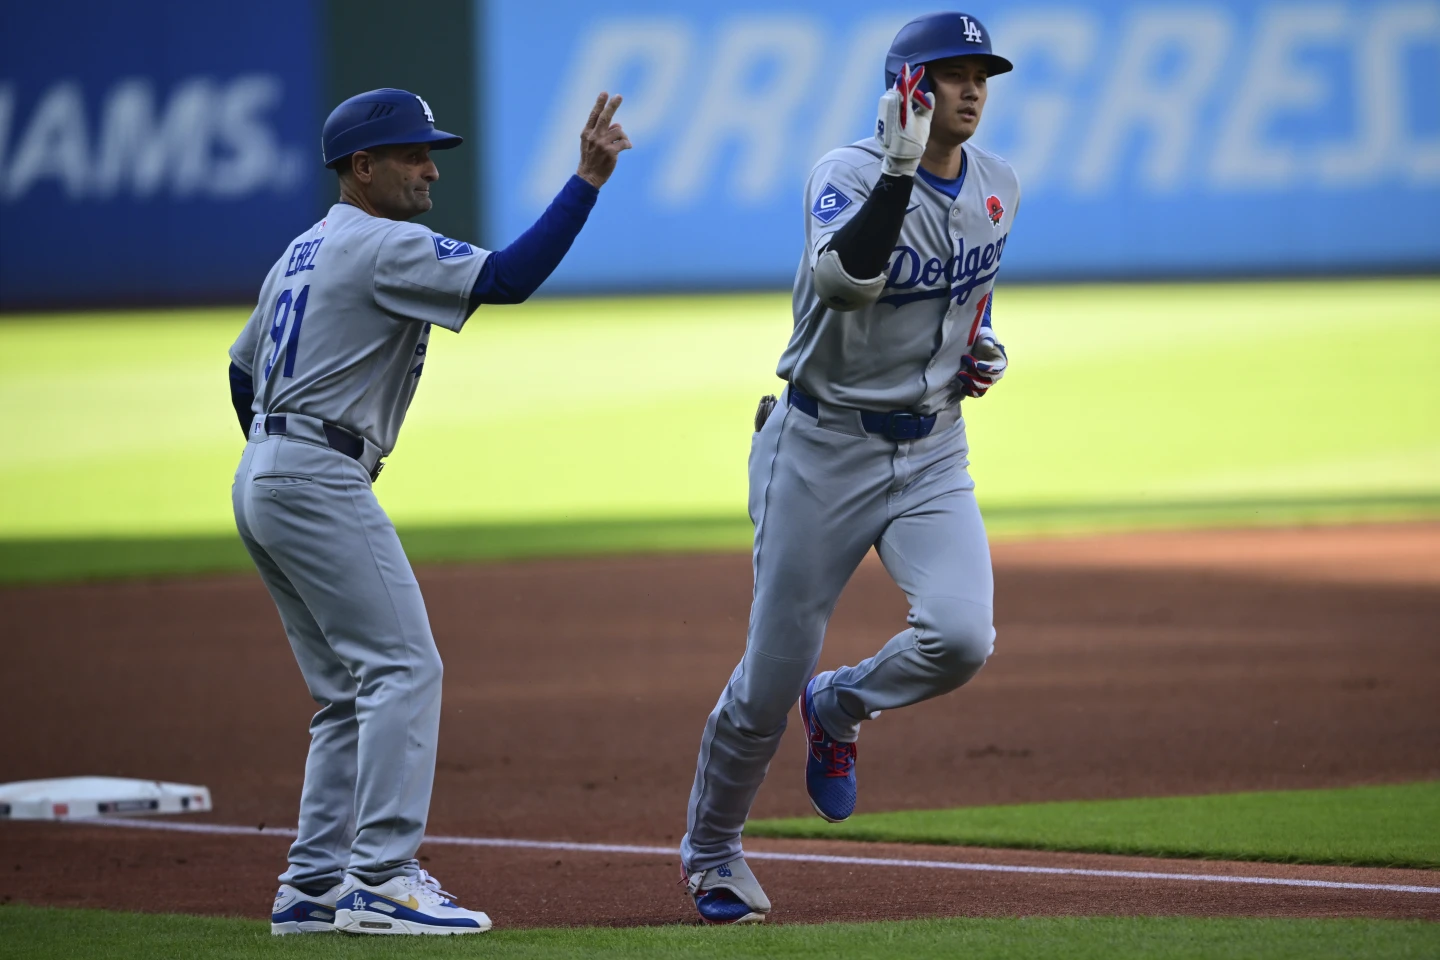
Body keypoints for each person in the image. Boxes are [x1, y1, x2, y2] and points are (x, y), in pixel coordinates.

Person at [228, 87, 630, 936]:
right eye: (411, 154)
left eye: (430, 150)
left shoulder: (302, 249)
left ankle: (311, 888)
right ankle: (380, 880)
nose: (429, 168)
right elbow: (508, 279)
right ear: (360, 168)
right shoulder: (383, 241)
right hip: (313, 475)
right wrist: (586, 181)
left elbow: (241, 368)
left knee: (344, 691)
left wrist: (277, 454)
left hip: (264, 471)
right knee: (405, 670)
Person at [679, 12, 1018, 923]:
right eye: (951, 73)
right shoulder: (847, 175)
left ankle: (836, 708)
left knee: (962, 637)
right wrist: (902, 172)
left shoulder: (999, 186)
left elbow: (963, 304)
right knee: (765, 674)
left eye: (982, 72)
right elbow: (844, 282)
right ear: (907, 88)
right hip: (821, 447)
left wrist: (980, 351)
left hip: (934, 446)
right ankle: (713, 854)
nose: (973, 88)